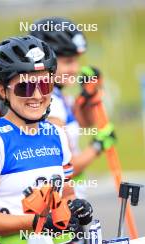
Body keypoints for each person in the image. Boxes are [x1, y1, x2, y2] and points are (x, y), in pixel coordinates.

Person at [0, 35, 93, 244]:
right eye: (24, 87)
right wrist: (36, 222)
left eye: (45, 85)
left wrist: (76, 208)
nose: (37, 95)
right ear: (2, 91)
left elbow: (66, 193)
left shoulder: (56, 134)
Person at [30, 17, 116, 196]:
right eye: (68, 62)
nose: (75, 69)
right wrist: (98, 146)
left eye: (77, 61)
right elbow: (62, 168)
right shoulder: (49, 104)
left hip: (73, 198)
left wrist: (87, 97)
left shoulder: (58, 95)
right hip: (63, 204)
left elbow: (84, 123)